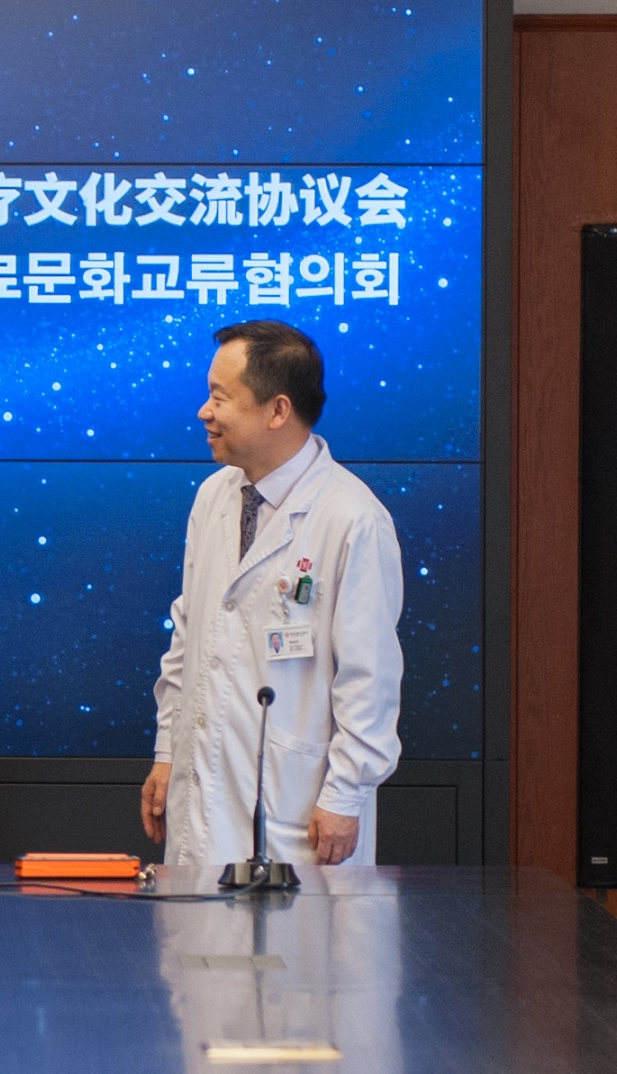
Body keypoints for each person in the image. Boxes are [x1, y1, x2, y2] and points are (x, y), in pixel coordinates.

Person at [142, 320, 404, 869]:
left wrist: (344, 795)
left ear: (277, 410)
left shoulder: (353, 518)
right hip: (201, 792)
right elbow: (188, 639)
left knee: (295, 926)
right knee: (195, 921)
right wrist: (169, 751)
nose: (204, 412)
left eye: (219, 398)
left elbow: (370, 679)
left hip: (298, 808)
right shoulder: (213, 497)